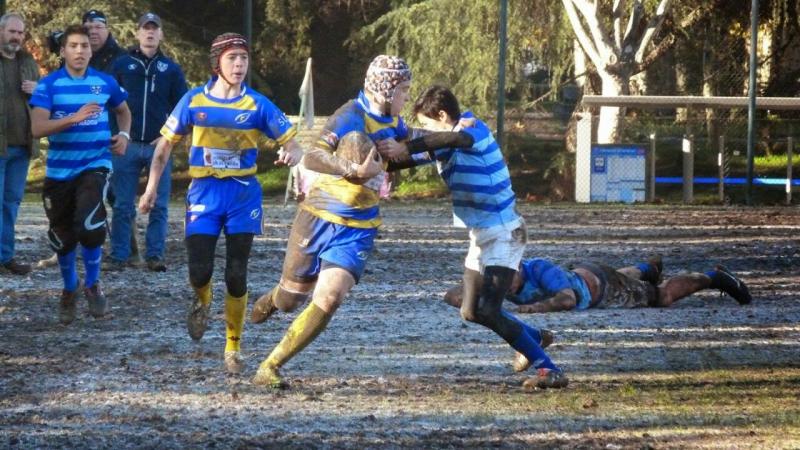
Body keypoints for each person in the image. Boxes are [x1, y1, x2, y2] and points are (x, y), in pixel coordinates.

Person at [370, 85, 567, 389]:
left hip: (504, 232)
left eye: (428, 124)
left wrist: (406, 146)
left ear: (443, 115)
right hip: (482, 235)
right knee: (469, 309)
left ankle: (549, 369)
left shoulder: (473, 129)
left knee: (488, 309)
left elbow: (452, 138)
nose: (425, 130)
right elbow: (401, 160)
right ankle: (534, 338)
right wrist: (371, 154)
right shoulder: (444, 143)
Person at [137, 33, 304, 374]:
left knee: (236, 273)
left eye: (244, 58)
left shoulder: (257, 104)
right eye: (232, 58)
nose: (239, 64)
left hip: (243, 195)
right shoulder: (194, 101)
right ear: (217, 64)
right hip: (204, 192)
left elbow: (295, 144)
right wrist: (151, 188)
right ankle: (203, 298)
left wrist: (292, 154)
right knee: (200, 271)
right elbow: (164, 147)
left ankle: (233, 347)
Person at [248, 55, 414, 389]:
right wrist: (353, 170)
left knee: (330, 296)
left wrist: (448, 139)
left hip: (358, 227)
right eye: (403, 90)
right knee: (290, 300)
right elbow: (312, 156)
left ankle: (269, 366)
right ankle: (275, 297)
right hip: (318, 217)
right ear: (385, 89)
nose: (407, 97)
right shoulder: (349, 114)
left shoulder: (395, 123)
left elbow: (410, 148)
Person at [444, 256, 753, 371]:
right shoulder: (500, 277)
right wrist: (473, 292)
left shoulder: (539, 269)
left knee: (662, 296)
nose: (504, 284)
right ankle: (646, 268)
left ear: (519, 267)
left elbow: (567, 300)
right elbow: (453, 295)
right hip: (592, 275)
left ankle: (714, 277)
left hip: (604, 288)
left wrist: (535, 308)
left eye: (507, 276)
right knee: (627, 277)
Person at [29, 24, 131, 325]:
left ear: (90, 51)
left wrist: (124, 135)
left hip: (95, 164)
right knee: (62, 237)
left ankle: (93, 284)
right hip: (60, 171)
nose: (79, 51)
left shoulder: (104, 82)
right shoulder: (48, 85)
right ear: (63, 51)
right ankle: (70, 287)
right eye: (73, 46)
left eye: (84, 46)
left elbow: (124, 111)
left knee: (89, 225)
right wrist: (74, 118)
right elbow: (37, 128)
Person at [105, 12, 187, 272]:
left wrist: (169, 136)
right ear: (137, 32)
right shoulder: (121, 64)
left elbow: (183, 107)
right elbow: (108, 102)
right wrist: (115, 133)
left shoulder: (171, 69)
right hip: (126, 145)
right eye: (146, 28)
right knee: (122, 204)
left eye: (154, 29)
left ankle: (154, 256)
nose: (150, 33)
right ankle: (119, 255)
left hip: (157, 147)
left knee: (159, 205)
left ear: (161, 34)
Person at [0, 12, 40, 275]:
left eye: (20, 32)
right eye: (12, 31)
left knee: (11, 204)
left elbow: (44, 101)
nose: (16, 37)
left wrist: (38, 90)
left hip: (22, 146)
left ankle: (5, 257)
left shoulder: (28, 62)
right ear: (1, 31)